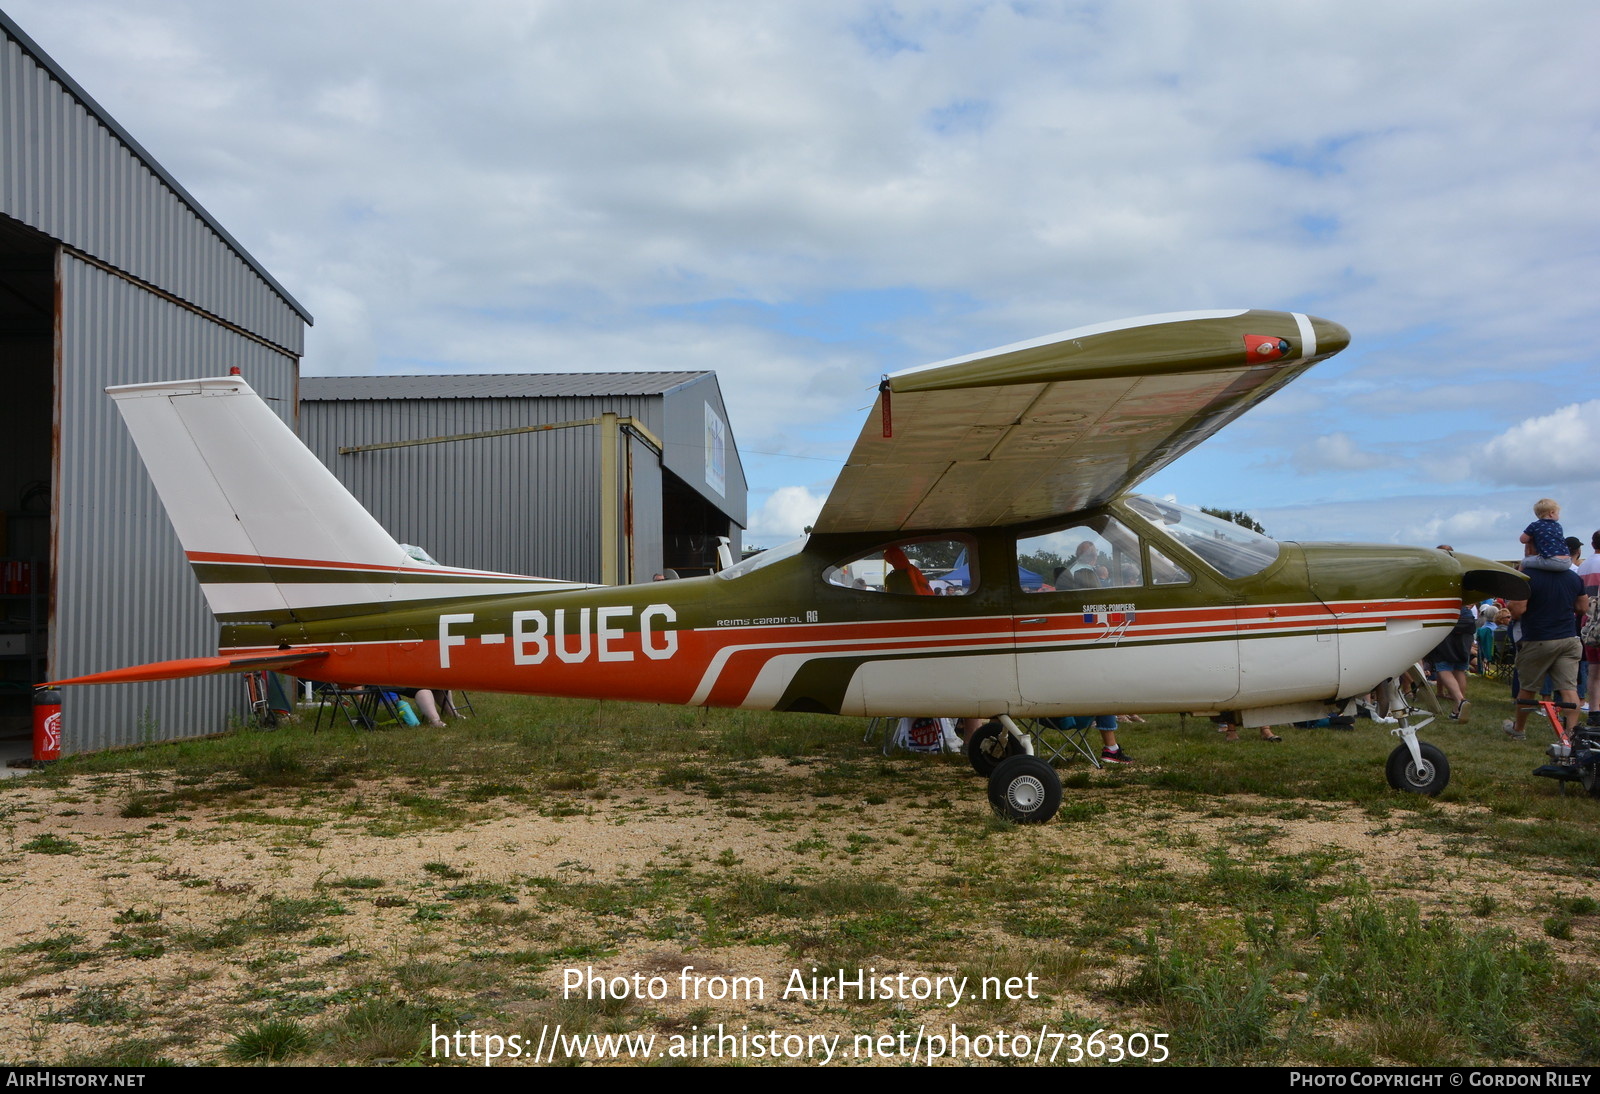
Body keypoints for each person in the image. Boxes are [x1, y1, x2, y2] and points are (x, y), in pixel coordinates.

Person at [1502, 563, 1588, 741]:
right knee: (1569, 688)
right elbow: (1582, 608)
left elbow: (1518, 610)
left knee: (1528, 687)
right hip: (1569, 638)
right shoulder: (1572, 577)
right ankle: (1570, 734)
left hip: (1539, 637)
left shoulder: (1528, 576)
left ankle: (1519, 729)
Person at [1519, 498, 1572, 572]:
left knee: (1524, 562)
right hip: (1568, 561)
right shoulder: (1558, 526)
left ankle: (1519, 580)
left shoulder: (1535, 525)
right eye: (1558, 513)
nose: (1559, 515)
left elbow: (1523, 539)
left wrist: (1531, 535)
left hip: (1552, 561)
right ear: (1551, 513)